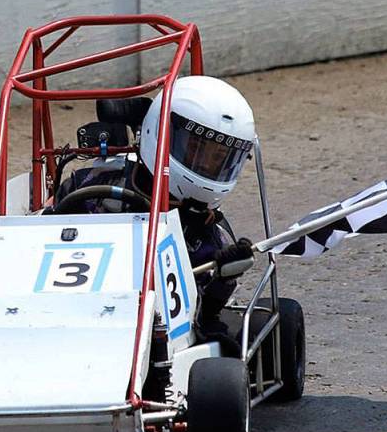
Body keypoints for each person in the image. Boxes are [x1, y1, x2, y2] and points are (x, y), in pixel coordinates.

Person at [51, 75, 256, 336]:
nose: (206, 166)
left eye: (218, 159)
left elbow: (199, 312)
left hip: (152, 332)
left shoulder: (207, 234)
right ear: (161, 133)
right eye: (197, 151)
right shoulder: (88, 187)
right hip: (69, 305)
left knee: (224, 342)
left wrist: (223, 279)